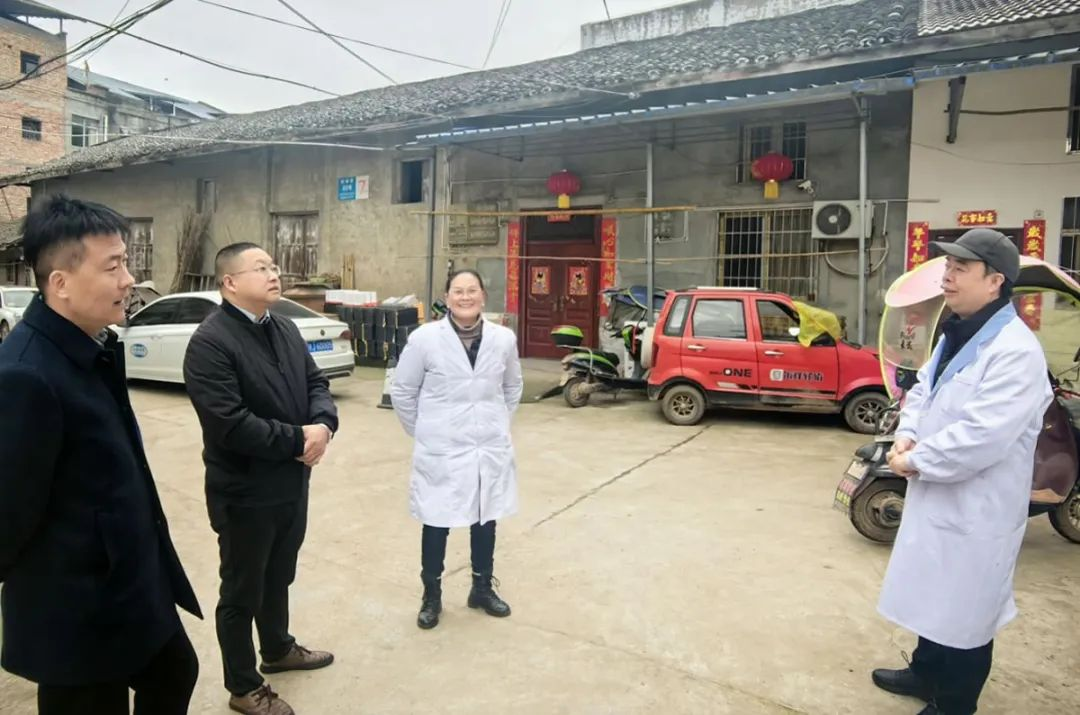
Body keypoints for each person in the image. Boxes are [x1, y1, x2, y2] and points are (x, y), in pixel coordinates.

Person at [0, 195, 201, 714]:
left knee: (176, 671)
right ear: (61, 283)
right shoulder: (26, 375)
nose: (129, 280)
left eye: (126, 263)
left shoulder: (90, 347)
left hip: (130, 581)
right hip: (78, 610)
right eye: (113, 267)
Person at [873, 229, 1053, 715]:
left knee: (967, 609)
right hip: (939, 493)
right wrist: (908, 433)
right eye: (947, 267)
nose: (947, 277)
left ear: (995, 281)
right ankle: (925, 671)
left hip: (979, 506)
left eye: (960, 269)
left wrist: (913, 461)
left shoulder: (1016, 351)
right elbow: (923, 391)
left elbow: (983, 436)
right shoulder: (957, 332)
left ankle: (955, 703)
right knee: (935, 591)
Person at [183, 242, 338, 715]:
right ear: (230, 282)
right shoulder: (211, 342)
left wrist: (323, 425)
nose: (274, 274)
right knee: (241, 589)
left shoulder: (284, 327)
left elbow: (316, 383)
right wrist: (297, 439)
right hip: (245, 491)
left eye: (273, 266)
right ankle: (243, 685)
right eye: (261, 268)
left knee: (279, 573)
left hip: (291, 483)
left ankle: (277, 648)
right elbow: (229, 424)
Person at [392, 269, 524, 630]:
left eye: (472, 290)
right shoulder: (424, 339)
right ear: (447, 298)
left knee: (485, 518)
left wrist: (497, 422)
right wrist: (424, 431)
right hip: (442, 449)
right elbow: (403, 391)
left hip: (487, 447)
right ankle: (431, 596)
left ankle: (481, 588)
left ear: (483, 296)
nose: (465, 297)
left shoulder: (503, 339)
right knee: (437, 521)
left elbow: (512, 386)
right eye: (458, 291)